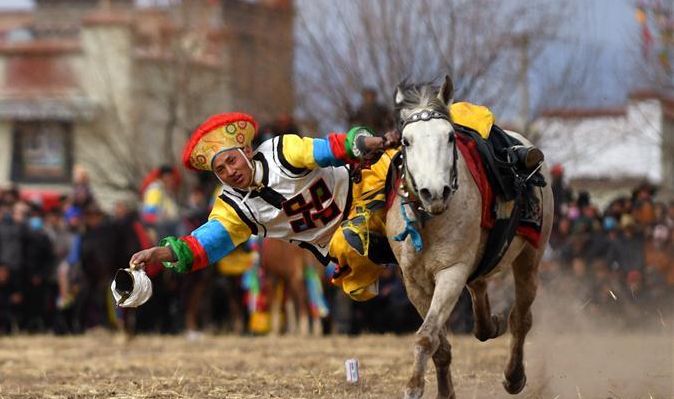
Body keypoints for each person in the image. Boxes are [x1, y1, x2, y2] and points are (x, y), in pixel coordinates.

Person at [132, 101, 543, 301]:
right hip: (344, 249)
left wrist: (374, 143)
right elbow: (202, 245)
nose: (229, 173)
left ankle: (505, 156)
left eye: (230, 162)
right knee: (350, 254)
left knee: (435, 128)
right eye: (220, 171)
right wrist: (158, 254)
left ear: (245, 150)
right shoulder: (233, 208)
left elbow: (332, 147)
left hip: (369, 187)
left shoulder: (281, 150)